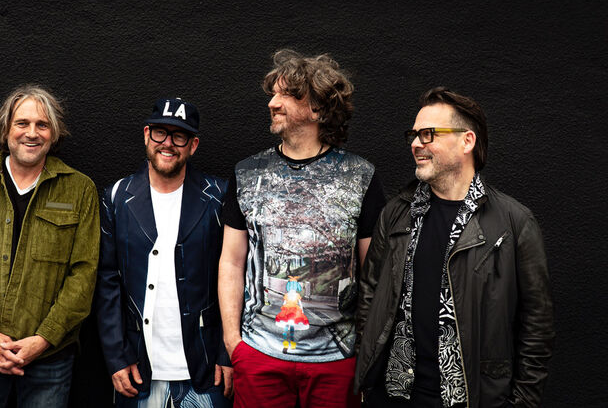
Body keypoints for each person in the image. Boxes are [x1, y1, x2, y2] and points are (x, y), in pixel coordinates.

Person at [355, 88, 554, 408]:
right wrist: (368, 370)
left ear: (467, 141)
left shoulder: (514, 223)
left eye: (428, 134)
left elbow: (537, 326)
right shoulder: (396, 213)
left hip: (471, 397)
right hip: (394, 394)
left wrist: (522, 402)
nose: (416, 143)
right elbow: (370, 294)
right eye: (414, 134)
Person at [218, 49, 385, 408]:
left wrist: (363, 352)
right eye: (273, 94)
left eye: (287, 95)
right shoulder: (248, 174)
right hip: (260, 355)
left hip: (336, 361)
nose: (273, 103)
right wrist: (236, 344)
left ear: (319, 109)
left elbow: (375, 273)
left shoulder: (360, 177)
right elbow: (231, 261)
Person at [0, 84, 99, 408]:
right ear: (5, 130)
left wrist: (42, 340)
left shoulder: (79, 190)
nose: (32, 133)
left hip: (49, 359)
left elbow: (84, 275)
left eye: (42, 125)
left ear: (54, 134)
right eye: (22, 123)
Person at [95, 97, 233, 407]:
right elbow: (107, 282)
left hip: (206, 367)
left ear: (193, 145)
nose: (168, 143)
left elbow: (238, 277)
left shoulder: (220, 196)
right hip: (139, 369)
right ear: (146, 135)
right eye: (160, 133)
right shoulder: (117, 197)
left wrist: (229, 352)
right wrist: (116, 356)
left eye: (179, 136)